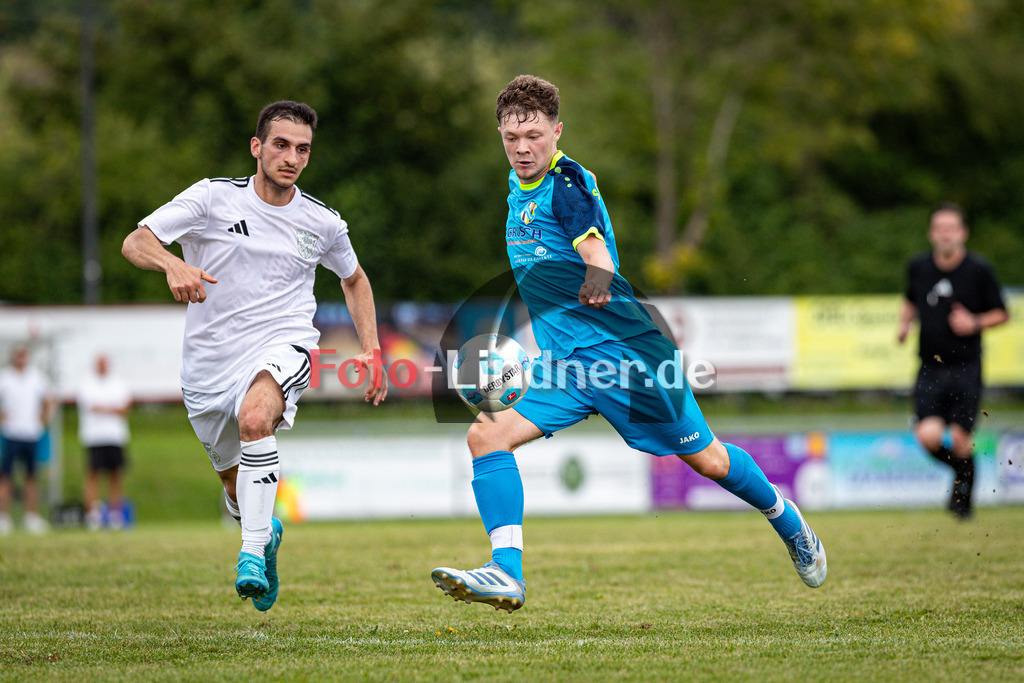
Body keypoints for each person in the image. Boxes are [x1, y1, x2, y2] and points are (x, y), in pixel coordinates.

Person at [430, 75, 827, 613]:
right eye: (511, 137)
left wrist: (597, 277)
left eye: (535, 136)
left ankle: (788, 520)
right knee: (485, 436)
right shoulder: (518, 184)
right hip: (563, 364)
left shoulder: (567, 185)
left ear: (557, 132)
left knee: (709, 461)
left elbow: (596, 252)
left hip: (627, 359)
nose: (522, 148)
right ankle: (506, 572)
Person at [122, 100, 387, 611]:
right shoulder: (212, 198)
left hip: (283, 344)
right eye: (281, 145)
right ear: (257, 147)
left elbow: (354, 279)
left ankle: (249, 553)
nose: (292, 158)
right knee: (233, 481)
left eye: (302, 149)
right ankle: (265, 532)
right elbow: (137, 241)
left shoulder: (323, 223)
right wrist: (172, 265)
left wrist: (372, 350)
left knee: (255, 418)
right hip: (208, 364)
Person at [898, 203, 1008, 519]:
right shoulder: (919, 267)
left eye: (951, 228)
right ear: (932, 233)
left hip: (966, 367)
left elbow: (1002, 313)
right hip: (930, 366)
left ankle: (962, 501)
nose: (946, 234)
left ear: (963, 233)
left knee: (961, 439)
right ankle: (963, 474)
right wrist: (904, 324)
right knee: (927, 435)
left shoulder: (979, 269)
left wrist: (974, 322)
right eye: (940, 228)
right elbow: (910, 299)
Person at [0, 345, 55, 535]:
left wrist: (44, 417)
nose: (21, 358)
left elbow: (49, 400)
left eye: (24, 355)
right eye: (18, 355)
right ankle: (3, 517)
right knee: (6, 476)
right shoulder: (5, 377)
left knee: (31, 477)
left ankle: (31, 516)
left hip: (31, 433)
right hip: (10, 433)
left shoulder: (37, 377)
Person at [77, 354, 132, 530]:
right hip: (94, 436)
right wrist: (112, 408)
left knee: (115, 475)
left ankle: (115, 515)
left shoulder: (118, 383)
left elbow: (125, 408)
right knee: (93, 475)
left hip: (115, 436)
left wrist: (104, 408)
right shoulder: (87, 384)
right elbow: (91, 407)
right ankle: (93, 515)